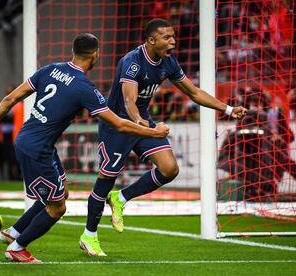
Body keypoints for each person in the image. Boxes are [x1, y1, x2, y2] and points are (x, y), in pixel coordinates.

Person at [0, 33, 170, 263]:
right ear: (95, 55)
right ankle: (17, 248)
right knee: (57, 208)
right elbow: (119, 123)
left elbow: (10, 99)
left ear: (74, 51)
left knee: (59, 194)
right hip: (38, 150)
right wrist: (154, 132)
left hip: (29, 141)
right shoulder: (84, 88)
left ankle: (14, 231)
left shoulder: (49, 69)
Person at [79, 18, 247, 257]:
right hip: (117, 125)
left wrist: (227, 109)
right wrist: (142, 125)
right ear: (151, 40)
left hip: (144, 122)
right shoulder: (132, 62)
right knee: (106, 179)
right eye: (167, 37)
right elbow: (129, 102)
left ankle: (121, 197)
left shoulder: (168, 62)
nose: (173, 41)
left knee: (169, 169)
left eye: (174, 36)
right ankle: (89, 235)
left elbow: (194, 92)